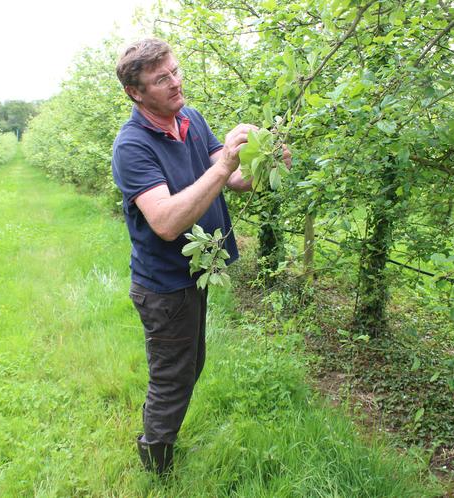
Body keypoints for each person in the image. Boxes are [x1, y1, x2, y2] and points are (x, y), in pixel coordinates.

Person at [111, 38, 287, 475]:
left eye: (175, 71)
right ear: (136, 92)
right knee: (172, 378)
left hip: (196, 274)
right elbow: (167, 221)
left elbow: (233, 180)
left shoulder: (190, 118)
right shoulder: (132, 147)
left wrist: (266, 159)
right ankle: (156, 460)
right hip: (164, 285)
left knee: (191, 365)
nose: (174, 83)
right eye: (161, 79)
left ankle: (160, 444)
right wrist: (225, 165)